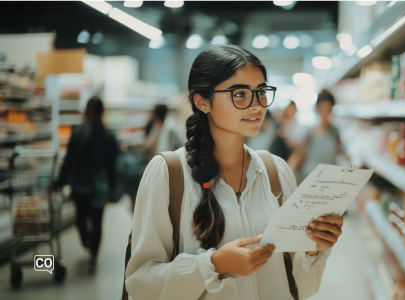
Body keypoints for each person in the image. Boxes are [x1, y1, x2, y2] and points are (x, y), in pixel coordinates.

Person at [125, 45, 343, 300]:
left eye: (261, 92)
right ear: (202, 101)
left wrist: (313, 250)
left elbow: (300, 289)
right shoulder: (168, 173)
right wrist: (213, 265)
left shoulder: (276, 173)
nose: (257, 106)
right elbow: (140, 283)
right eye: (240, 93)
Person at [53, 96, 118, 267]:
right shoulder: (109, 135)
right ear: (102, 111)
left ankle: (86, 241)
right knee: (97, 222)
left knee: (80, 219)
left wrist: (59, 182)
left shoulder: (78, 132)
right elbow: (112, 166)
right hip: (100, 186)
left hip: (80, 184)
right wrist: (112, 188)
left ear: (86, 110)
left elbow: (69, 161)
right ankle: (94, 256)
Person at [288, 90, 349, 182]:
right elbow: (297, 155)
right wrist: (286, 175)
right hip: (308, 180)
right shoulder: (309, 132)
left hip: (329, 180)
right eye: (322, 108)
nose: (325, 113)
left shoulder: (335, 132)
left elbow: (342, 153)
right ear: (317, 108)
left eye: (328, 109)